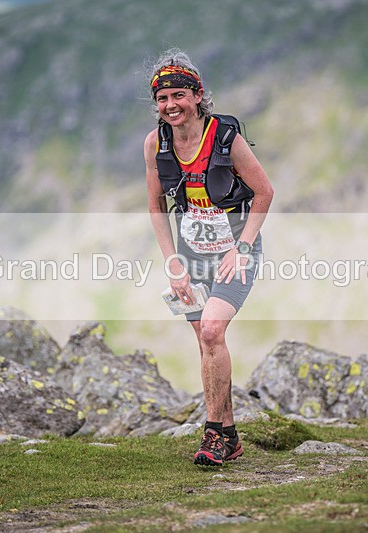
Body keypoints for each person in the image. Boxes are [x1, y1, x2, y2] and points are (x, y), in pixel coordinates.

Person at [144, 49, 274, 466]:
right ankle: (230, 436)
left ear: (198, 95)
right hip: (191, 253)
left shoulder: (225, 138)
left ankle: (212, 434)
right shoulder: (155, 143)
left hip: (237, 248)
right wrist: (172, 262)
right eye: (163, 99)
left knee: (213, 330)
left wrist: (244, 246)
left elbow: (264, 193)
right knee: (207, 343)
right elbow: (156, 206)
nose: (171, 106)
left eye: (179, 95)